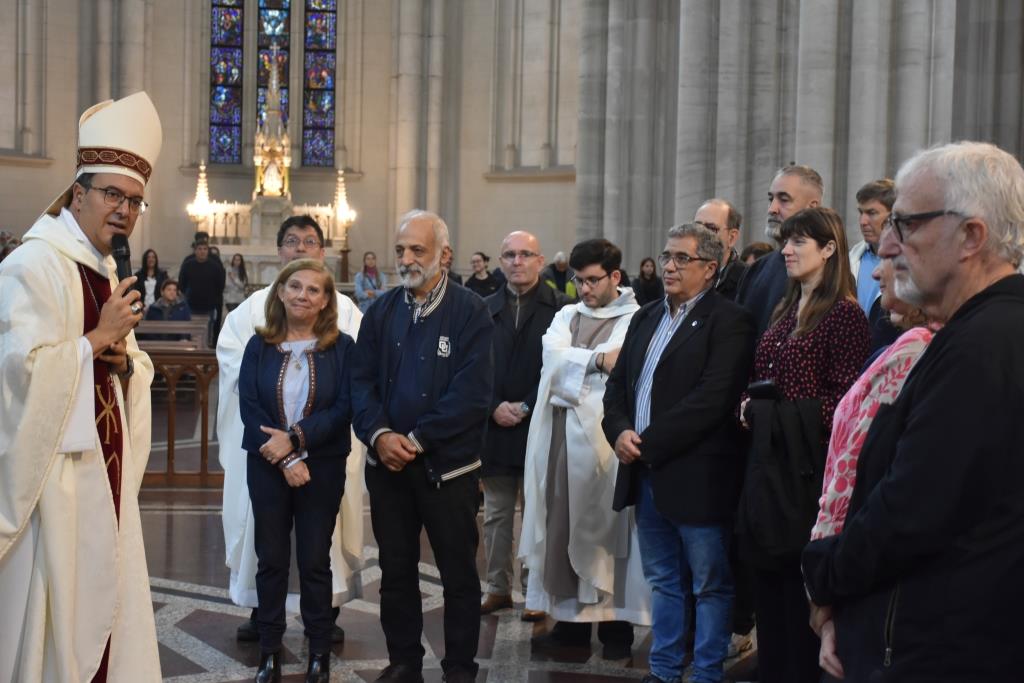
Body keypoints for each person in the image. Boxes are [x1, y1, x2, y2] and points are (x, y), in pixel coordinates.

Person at [802, 141, 1024, 682]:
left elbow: (911, 507)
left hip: (942, 646)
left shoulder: (983, 344)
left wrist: (824, 574)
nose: (889, 245)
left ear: (971, 236)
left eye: (907, 224)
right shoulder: (972, 334)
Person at [0, 91, 162, 681]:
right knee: (58, 618)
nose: (123, 210)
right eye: (112, 194)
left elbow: (127, 368)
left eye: (135, 200)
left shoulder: (102, 268)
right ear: (77, 194)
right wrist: (96, 340)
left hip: (103, 476)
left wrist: (121, 361)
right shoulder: (33, 265)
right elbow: (17, 374)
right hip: (55, 486)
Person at [603, 224, 755, 683]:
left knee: (709, 584)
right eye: (667, 256)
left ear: (710, 269)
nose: (669, 265)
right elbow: (618, 388)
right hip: (645, 473)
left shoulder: (730, 320)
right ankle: (665, 670)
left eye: (682, 259)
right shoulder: (646, 316)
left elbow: (713, 398)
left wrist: (647, 442)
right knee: (664, 581)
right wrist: (620, 432)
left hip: (698, 476)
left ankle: (707, 672)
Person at [351, 209, 494, 683]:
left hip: (447, 471)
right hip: (388, 469)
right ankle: (404, 662)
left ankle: (459, 669)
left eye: (417, 249)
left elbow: (471, 394)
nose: (406, 259)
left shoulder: (472, 311)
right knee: (395, 574)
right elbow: (361, 384)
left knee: (458, 577)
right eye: (400, 250)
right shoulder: (381, 311)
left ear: (444, 255)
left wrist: (413, 439)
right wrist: (380, 435)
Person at [735, 207, 869, 683]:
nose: (786, 251)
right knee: (768, 599)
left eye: (798, 243)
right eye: (785, 242)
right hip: (767, 468)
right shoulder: (785, 310)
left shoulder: (845, 316)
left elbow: (846, 406)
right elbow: (760, 378)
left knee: (797, 605)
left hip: (806, 477)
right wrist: (750, 404)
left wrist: (769, 414)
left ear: (829, 249)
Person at [217, 214, 364, 645]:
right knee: (268, 537)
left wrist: (301, 437)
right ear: (279, 251)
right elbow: (235, 369)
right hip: (267, 452)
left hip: (323, 450)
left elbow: (352, 384)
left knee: (321, 539)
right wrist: (278, 444)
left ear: (323, 251)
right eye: (292, 241)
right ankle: (263, 610)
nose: (301, 248)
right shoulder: (251, 310)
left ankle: (326, 611)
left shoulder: (345, 312)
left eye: (310, 241)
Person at [520, 238, 650, 660]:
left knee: (611, 537)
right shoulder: (566, 314)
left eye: (594, 280)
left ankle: (616, 633)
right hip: (561, 443)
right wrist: (594, 361)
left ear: (615, 276)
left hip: (608, 446)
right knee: (561, 531)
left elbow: (622, 368)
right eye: (579, 280)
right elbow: (551, 362)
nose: (585, 289)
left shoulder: (637, 318)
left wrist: (578, 362)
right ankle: (571, 630)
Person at [240, 259, 355, 683]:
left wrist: (299, 440)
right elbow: (249, 408)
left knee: (313, 561)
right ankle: (270, 651)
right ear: (281, 292)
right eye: (295, 287)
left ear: (326, 300)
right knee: (270, 559)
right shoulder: (259, 345)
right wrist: (285, 456)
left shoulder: (342, 348)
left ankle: (318, 653)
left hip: (321, 468)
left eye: (313, 290)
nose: (302, 295)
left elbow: (344, 407)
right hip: (268, 466)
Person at [480, 231, 569, 620]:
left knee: (538, 512)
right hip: (495, 426)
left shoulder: (562, 308)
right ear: (501, 262)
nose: (517, 261)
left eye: (525, 254)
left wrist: (529, 405)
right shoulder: (482, 308)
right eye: (510, 255)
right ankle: (498, 587)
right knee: (497, 514)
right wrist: (492, 406)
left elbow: (561, 367)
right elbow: (472, 368)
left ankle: (534, 591)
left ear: (540, 259)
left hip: (541, 424)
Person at [736, 165, 823, 338]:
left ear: (811, 207)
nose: (772, 209)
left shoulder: (828, 272)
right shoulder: (757, 268)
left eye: (784, 199)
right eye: (771, 199)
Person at [850, 179, 901, 353]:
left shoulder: (907, 263)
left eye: (871, 213)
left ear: (893, 215)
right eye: (860, 212)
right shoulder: (852, 258)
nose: (863, 221)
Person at [694, 198, 748, 301]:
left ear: (731, 238)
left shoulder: (746, 280)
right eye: (696, 227)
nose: (700, 235)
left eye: (711, 228)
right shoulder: (682, 272)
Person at [178, 235, 226, 344]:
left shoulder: (215, 267)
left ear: (208, 251)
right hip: (191, 305)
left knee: (207, 335)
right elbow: (181, 284)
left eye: (205, 249)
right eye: (199, 249)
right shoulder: (187, 265)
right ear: (195, 251)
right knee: (191, 333)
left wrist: (213, 299)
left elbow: (220, 286)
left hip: (208, 306)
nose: (202, 251)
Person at [132, 247, 167, 312]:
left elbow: (166, 292)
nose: (151, 259)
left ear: (156, 259)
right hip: (141, 308)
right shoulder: (138, 275)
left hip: (158, 309)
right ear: (145, 259)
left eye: (153, 257)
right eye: (148, 257)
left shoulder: (163, 274)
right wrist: (140, 306)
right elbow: (134, 293)